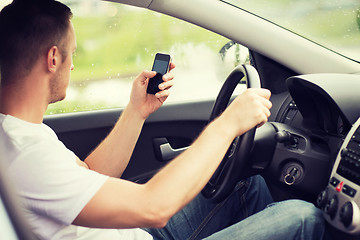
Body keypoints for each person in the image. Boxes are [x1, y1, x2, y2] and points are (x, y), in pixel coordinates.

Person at [0, 0, 325, 240]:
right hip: (143, 225)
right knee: (303, 217)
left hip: (132, 233)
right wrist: (228, 124)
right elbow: (153, 207)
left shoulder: (21, 133)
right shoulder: (25, 155)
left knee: (244, 184)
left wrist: (136, 110)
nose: (71, 67)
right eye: (72, 54)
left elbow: (90, 174)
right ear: (53, 58)